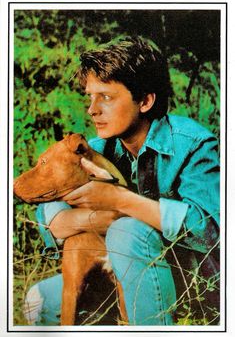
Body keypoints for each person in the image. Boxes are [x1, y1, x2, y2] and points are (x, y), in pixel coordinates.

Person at [23, 36, 220, 326]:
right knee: (39, 302)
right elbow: (50, 219)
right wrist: (91, 216)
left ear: (145, 101)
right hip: (119, 278)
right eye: (90, 97)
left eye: (106, 97)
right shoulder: (98, 150)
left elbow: (211, 231)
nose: (92, 109)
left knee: (128, 231)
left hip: (192, 286)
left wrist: (120, 202)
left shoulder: (191, 144)